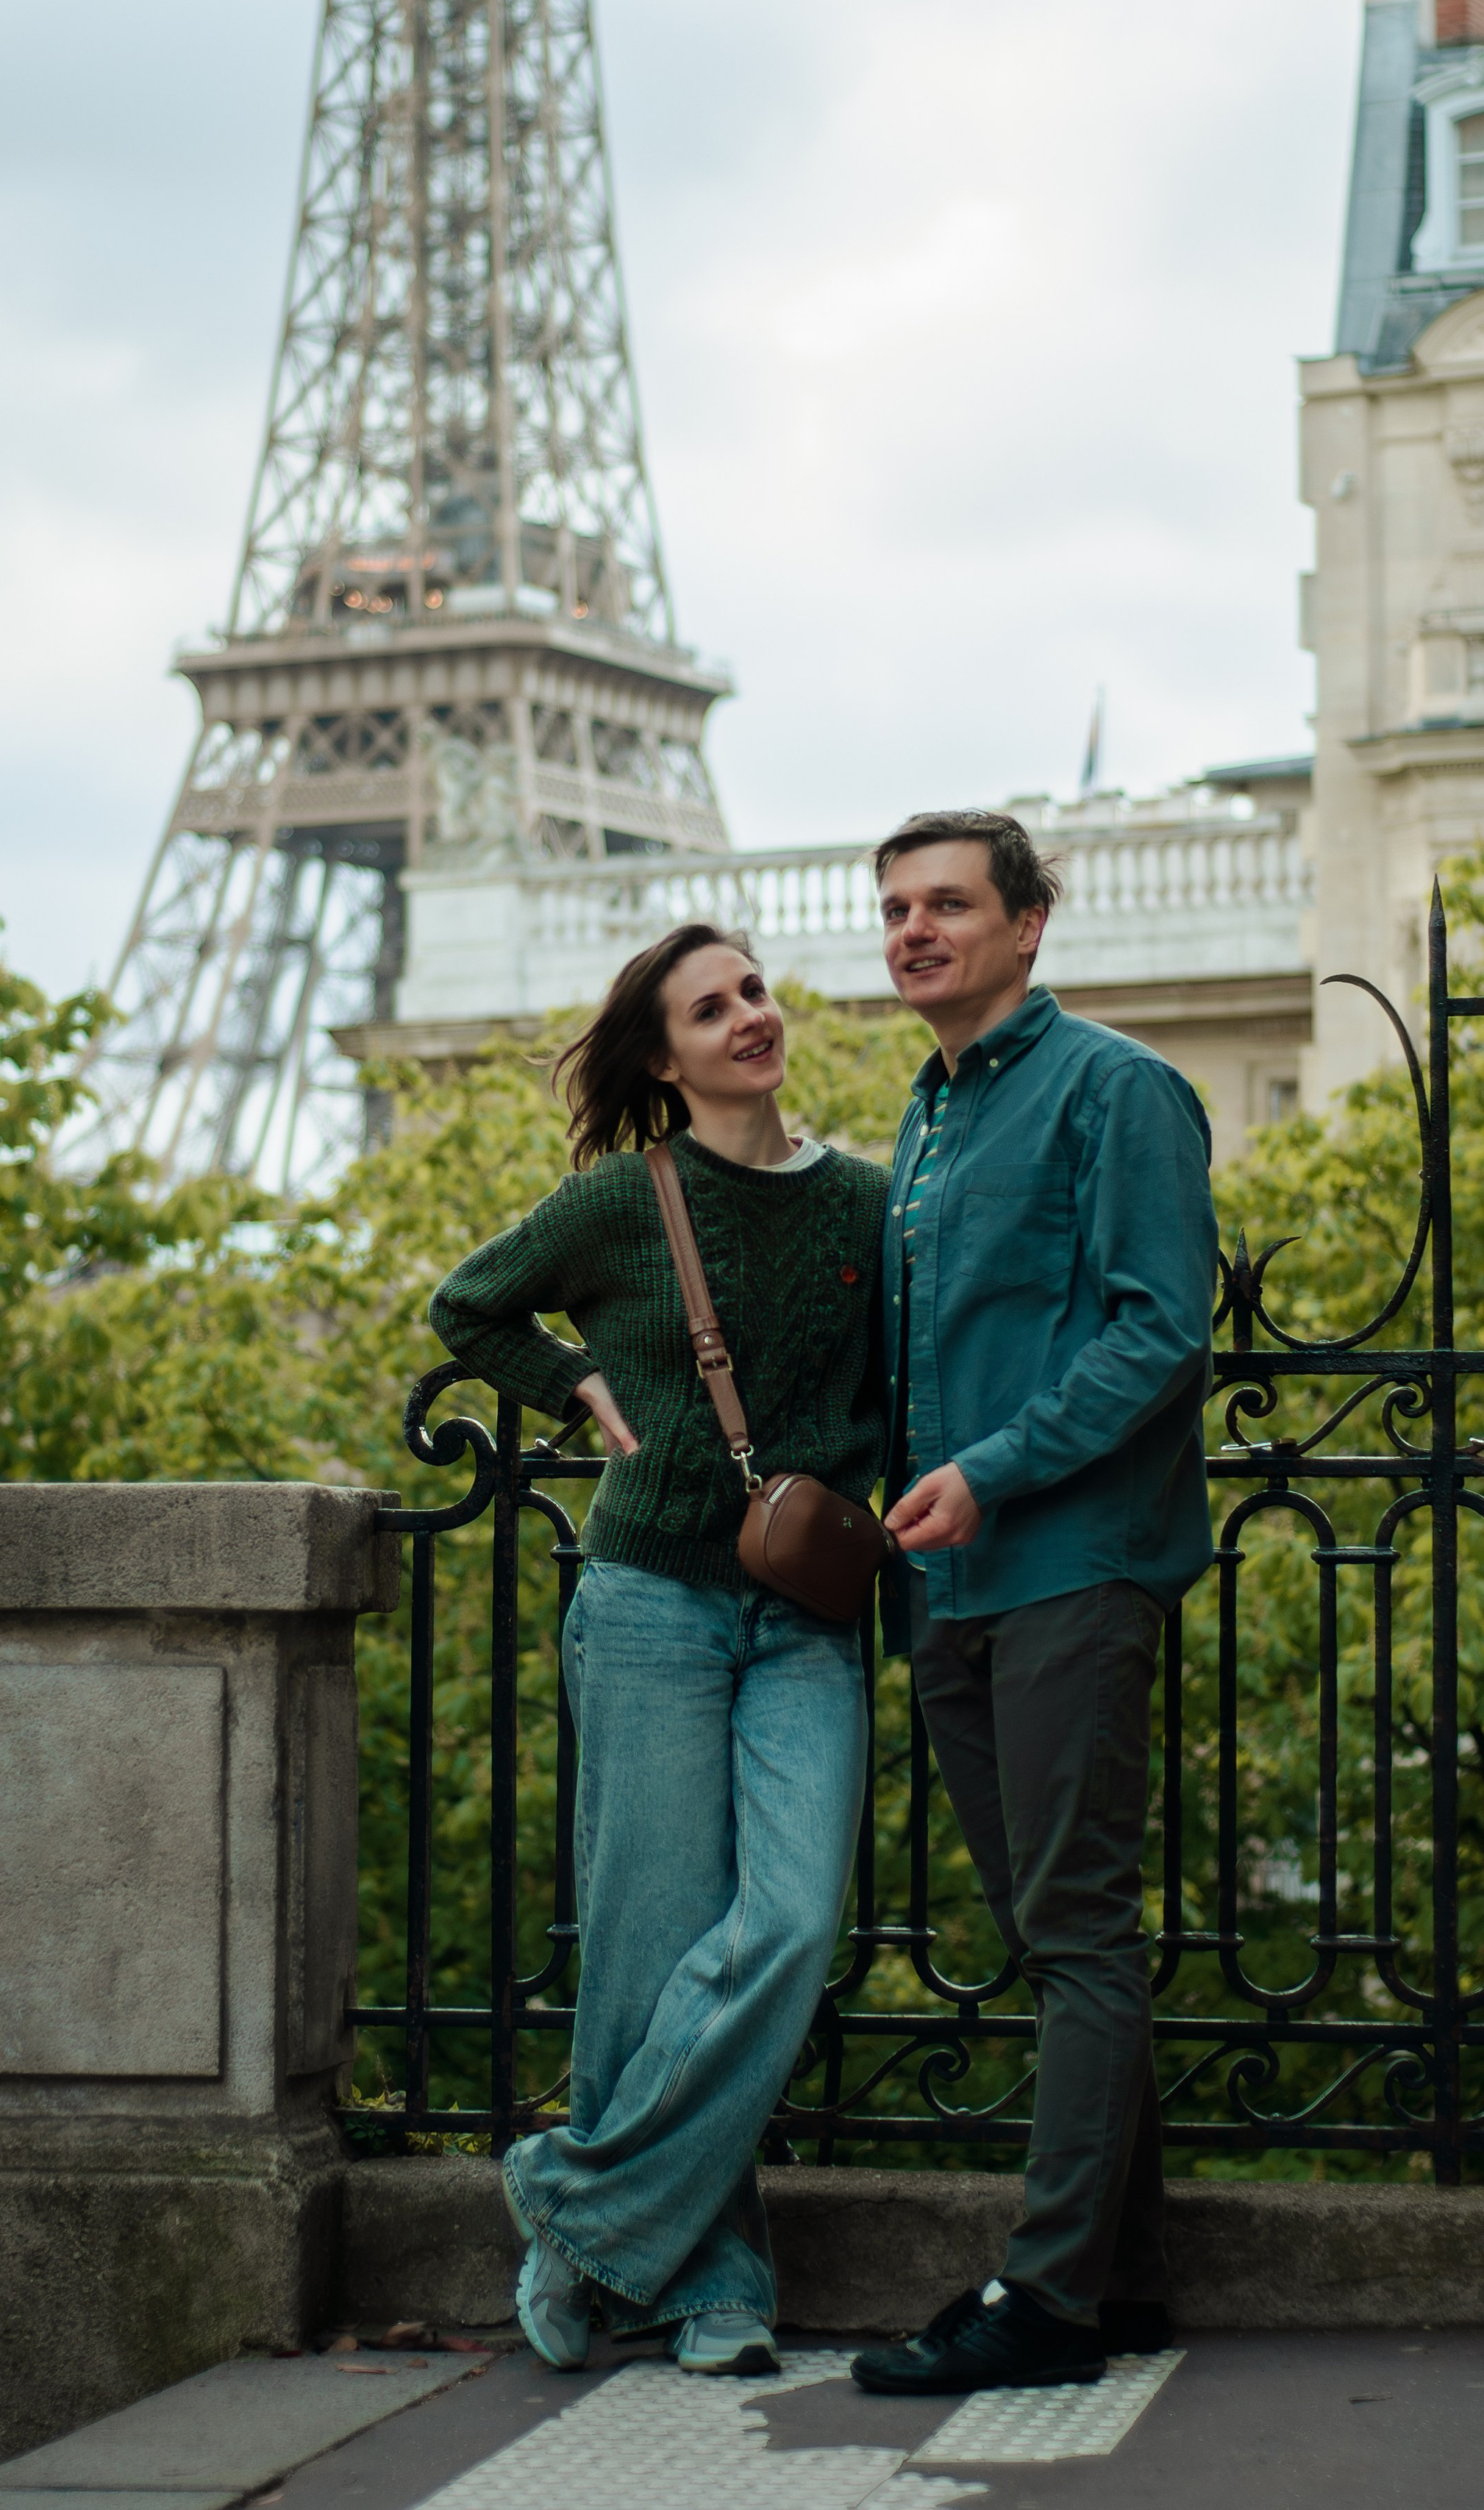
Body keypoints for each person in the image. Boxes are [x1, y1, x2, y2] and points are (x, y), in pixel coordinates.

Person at [427, 921, 888, 2381]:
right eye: (710, 1006)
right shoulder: (621, 1204)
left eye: (752, 990)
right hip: (645, 1606)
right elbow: (468, 1306)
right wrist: (571, 1381)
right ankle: (713, 2277)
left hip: (802, 1613)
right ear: (661, 1056)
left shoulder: (872, 1205)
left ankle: (571, 2208)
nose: (748, 1015)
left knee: (791, 1921)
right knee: (646, 1948)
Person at [849, 811, 1216, 2398]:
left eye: (947, 903)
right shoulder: (925, 1119)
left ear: (1028, 924)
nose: (914, 929)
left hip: (1070, 1564)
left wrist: (993, 1470)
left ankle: (1049, 2295)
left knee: (1075, 1931)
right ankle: (1120, 2280)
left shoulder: (1114, 1087)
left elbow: (1158, 1334)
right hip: (949, 1583)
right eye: (894, 908)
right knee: (1051, 1938)